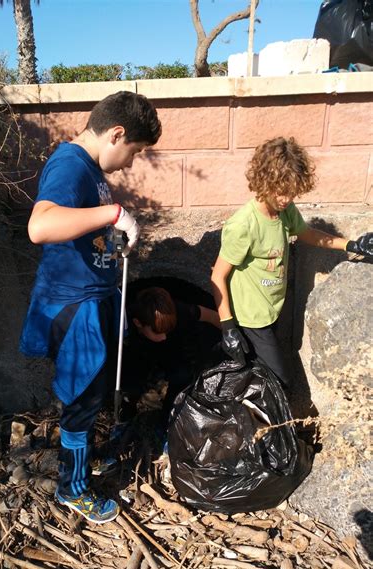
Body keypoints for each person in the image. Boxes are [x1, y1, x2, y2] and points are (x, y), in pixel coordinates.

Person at [19, 91, 162, 523]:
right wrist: (111, 212)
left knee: (93, 394)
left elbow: (81, 228)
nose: (132, 163)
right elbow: (40, 226)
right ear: (116, 133)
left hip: (92, 301)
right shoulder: (69, 165)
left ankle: (80, 460)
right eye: (134, 152)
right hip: (75, 308)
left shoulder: (89, 169)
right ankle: (72, 488)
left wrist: (110, 235)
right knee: (81, 400)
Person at [211, 136, 372, 388]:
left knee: (260, 378)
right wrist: (228, 327)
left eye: (292, 192)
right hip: (251, 317)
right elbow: (217, 276)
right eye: (281, 191)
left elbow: (308, 234)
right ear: (265, 180)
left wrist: (351, 245)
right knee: (279, 381)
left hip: (274, 308)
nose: (286, 198)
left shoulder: (285, 210)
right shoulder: (243, 225)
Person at [122, 285, 221, 432]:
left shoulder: (181, 311)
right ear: (138, 323)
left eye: (167, 330)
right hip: (138, 352)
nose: (163, 336)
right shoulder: (126, 320)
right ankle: (127, 413)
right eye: (157, 332)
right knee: (132, 383)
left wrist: (232, 331)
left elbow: (213, 316)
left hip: (172, 350)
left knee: (182, 376)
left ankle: (167, 421)